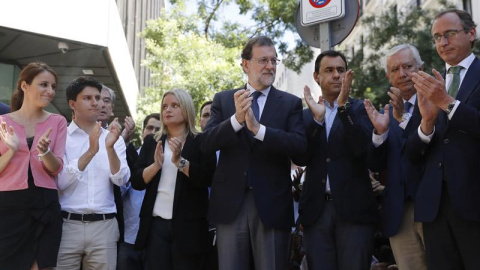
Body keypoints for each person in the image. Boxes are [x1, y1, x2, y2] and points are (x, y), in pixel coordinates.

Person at [201, 35, 306, 270]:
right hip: (230, 206)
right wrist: (237, 120)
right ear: (245, 64)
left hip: (272, 206)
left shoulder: (290, 103)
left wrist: (259, 130)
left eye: (274, 60)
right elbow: (206, 143)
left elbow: (300, 150)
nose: (270, 66)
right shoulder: (225, 99)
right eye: (263, 60)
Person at [406, 9, 480, 269]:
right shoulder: (429, 84)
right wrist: (426, 123)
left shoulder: (438, 90)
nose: (443, 42)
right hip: (434, 207)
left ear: (472, 33)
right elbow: (411, 153)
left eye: (450, 34)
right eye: (437, 37)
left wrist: (447, 103)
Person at [296, 50, 378, 270]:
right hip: (316, 212)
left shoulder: (361, 109)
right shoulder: (304, 116)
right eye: (329, 70)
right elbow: (300, 156)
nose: (336, 75)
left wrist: (343, 108)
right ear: (316, 77)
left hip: (354, 212)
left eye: (340, 70)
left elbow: (362, 150)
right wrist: (316, 121)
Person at [131, 89, 216, 269]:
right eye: (164, 106)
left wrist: (179, 161)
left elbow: (206, 179)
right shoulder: (152, 141)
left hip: (190, 229)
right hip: (155, 226)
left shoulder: (201, 141)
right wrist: (155, 166)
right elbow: (137, 182)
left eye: (174, 105)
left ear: (186, 109)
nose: (167, 110)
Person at [55, 76, 130, 270]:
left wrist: (110, 148)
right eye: (87, 98)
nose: (95, 102)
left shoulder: (114, 138)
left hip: (104, 225)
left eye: (97, 97)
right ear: (72, 103)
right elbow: (60, 182)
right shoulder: (61, 136)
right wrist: (91, 151)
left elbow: (121, 180)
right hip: (66, 224)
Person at [364, 44, 427, 270]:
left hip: (434, 210)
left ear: (421, 67)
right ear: (387, 76)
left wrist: (403, 120)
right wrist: (379, 134)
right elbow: (374, 164)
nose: (402, 74)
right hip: (398, 214)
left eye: (407, 66)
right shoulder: (384, 114)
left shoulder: (436, 102)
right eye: (394, 69)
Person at [0, 62, 67, 270]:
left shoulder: (58, 122)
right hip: (8, 207)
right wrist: (11, 150)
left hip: (46, 205)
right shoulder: (2, 122)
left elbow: (56, 169)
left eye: (53, 87)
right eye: (43, 85)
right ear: (24, 86)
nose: (50, 91)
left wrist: (45, 152)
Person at [117, 113, 160, 270]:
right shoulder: (127, 155)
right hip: (128, 237)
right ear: (142, 132)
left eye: (158, 129)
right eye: (149, 128)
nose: (153, 132)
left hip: (154, 240)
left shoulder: (171, 160)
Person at [97, 85, 135, 244]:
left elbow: (122, 181)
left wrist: (122, 142)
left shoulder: (118, 140)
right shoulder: (69, 134)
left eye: (107, 101)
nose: (101, 104)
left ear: (112, 108)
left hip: (108, 220)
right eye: (97, 99)